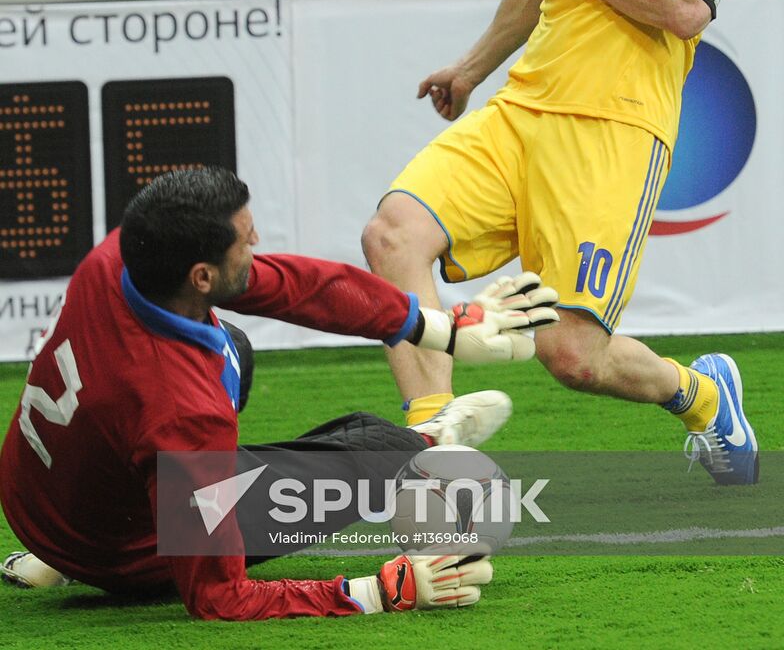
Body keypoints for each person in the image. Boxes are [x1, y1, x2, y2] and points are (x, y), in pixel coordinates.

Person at [362, 0, 759, 488]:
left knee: (571, 356)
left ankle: (704, 395)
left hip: (614, 128)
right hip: (521, 108)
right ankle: (439, 452)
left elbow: (687, 8)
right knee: (392, 237)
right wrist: (471, 69)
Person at [0, 167, 557, 620]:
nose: (257, 242)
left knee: (233, 347)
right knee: (381, 455)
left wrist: (441, 331)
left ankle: (68, 548)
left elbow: (296, 288)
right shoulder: (182, 412)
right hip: (113, 546)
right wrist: (379, 592)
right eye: (245, 240)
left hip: (36, 490)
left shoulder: (120, 257)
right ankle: (423, 439)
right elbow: (219, 599)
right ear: (200, 276)